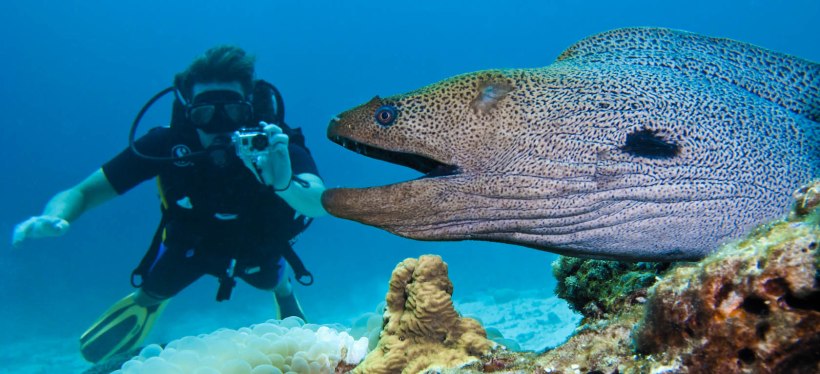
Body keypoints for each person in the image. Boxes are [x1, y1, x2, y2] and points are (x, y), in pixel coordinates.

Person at [11, 45, 327, 363]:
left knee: (270, 280)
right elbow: (84, 192)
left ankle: (284, 289)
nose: (219, 125)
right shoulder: (165, 144)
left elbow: (318, 201)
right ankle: (147, 302)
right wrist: (57, 217)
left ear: (249, 108)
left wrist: (284, 182)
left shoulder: (275, 145)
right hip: (192, 243)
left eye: (231, 110)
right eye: (205, 112)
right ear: (188, 112)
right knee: (153, 290)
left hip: (260, 243)